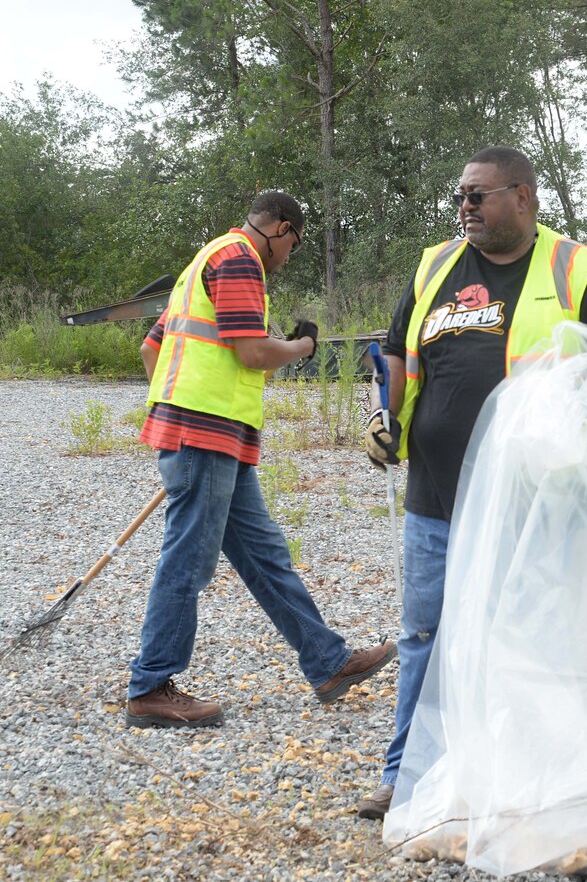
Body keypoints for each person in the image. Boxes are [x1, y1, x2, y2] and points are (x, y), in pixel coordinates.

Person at [357, 147, 587, 818]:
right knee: (426, 637)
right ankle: (410, 780)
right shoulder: (435, 265)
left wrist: (562, 410)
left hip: (535, 496)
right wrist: (384, 410)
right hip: (436, 493)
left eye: (479, 195)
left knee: (534, 636)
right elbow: (398, 349)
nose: (465, 206)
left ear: (524, 198)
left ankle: (533, 782)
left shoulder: (580, 271)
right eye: (460, 195)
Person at [126, 190, 396, 729]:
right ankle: (150, 686)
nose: (291, 254)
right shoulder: (242, 260)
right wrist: (300, 348)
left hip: (212, 435)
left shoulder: (208, 258)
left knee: (265, 554)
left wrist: (177, 407)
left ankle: (328, 663)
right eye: (294, 243)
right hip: (204, 435)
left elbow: (152, 349)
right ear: (280, 228)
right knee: (189, 560)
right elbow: (251, 353)